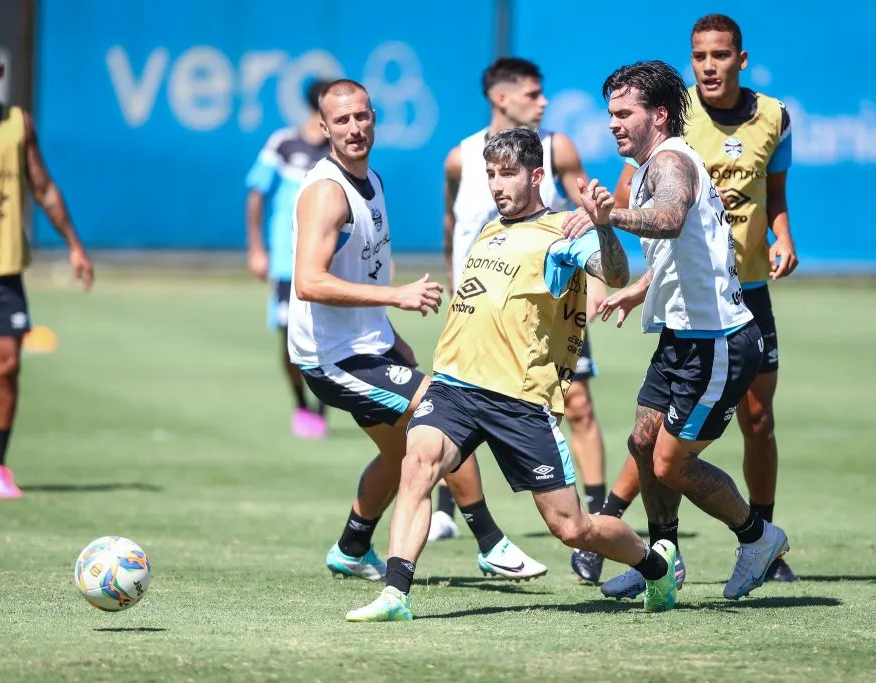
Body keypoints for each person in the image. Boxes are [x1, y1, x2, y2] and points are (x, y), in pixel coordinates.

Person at [345, 128, 681, 623]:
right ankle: (396, 594)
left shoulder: (565, 231)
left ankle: (656, 565)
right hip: (454, 385)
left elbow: (611, 273)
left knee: (571, 527)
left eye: (508, 174)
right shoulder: (487, 228)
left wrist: (605, 227)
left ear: (537, 175)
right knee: (417, 466)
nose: (497, 185)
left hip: (518, 400)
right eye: (491, 175)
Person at [289, 79, 546, 583]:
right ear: (324, 128)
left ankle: (352, 545)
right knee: (440, 407)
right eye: (341, 121)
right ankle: (490, 541)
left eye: (362, 116)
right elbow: (308, 281)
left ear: (374, 117)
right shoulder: (327, 193)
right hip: (333, 357)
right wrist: (396, 297)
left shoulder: (372, 181)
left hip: (368, 344)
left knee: (400, 448)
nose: (354, 128)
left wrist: (388, 332)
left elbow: (361, 269)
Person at [562, 60, 790, 602]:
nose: (613, 123)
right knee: (643, 442)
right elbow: (688, 248)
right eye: (610, 114)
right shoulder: (649, 166)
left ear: (658, 115)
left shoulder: (670, 161)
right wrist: (638, 289)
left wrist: (608, 214)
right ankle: (663, 559)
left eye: (624, 113)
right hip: (682, 337)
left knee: (671, 461)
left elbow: (667, 218)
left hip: (719, 342)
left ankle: (759, 538)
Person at [433, 58, 611, 562]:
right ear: (501, 98)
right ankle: (450, 509)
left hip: (546, 301)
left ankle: (595, 518)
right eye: (533, 94)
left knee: (577, 404)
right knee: (457, 405)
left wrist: (593, 282)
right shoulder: (460, 157)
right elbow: (451, 221)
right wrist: (456, 279)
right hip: (480, 305)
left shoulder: (557, 148)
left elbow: (584, 213)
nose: (544, 101)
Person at [0, 35, 94, 498]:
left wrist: (74, 244)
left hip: (1, 270)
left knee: (7, 365)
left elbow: (44, 188)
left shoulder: (18, 125)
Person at [246, 80, 333, 439]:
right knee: (288, 339)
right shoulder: (283, 144)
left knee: (331, 336)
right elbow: (255, 194)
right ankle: (300, 403)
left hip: (329, 260)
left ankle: (321, 408)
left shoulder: (339, 149)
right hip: (286, 260)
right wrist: (256, 249)